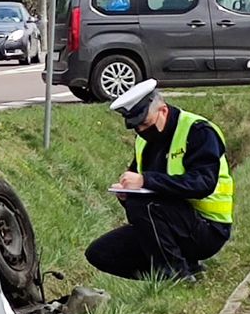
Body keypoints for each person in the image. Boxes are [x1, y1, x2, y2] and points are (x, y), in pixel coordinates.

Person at [85, 79, 233, 281]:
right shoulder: (144, 140)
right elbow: (140, 185)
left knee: (144, 205)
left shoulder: (198, 131)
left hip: (208, 229)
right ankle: (172, 275)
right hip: (166, 225)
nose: (142, 132)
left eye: (146, 124)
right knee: (99, 253)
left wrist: (146, 181)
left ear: (163, 111)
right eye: (137, 128)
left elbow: (203, 183)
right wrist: (125, 192)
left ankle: (176, 276)